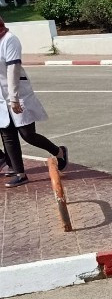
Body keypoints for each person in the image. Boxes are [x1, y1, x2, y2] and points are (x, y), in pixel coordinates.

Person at [0, 17, 67, 187]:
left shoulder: (10, 40)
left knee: (27, 134)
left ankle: (59, 152)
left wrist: (14, 98)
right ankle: (20, 173)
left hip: (17, 93)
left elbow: (13, 69)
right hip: (0, 96)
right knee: (7, 134)